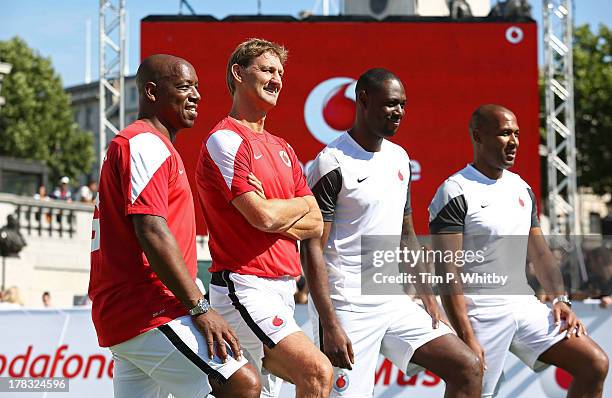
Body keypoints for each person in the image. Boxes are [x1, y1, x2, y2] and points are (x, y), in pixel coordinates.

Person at [88, 54, 260, 398]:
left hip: (131, 314)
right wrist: (200, 306)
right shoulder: (144, 143)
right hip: (150, 309)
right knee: (242, 384)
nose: (196, 95)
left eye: (197, 87)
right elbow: (150, 229)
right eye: (184, 87)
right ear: (151, 92)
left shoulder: (149, 144)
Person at [304, 68, 483, 398]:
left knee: (467, 367)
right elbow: (313, 247)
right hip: (347, 308)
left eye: (402, 104)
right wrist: (329, 324)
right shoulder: (332, 162)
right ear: (363, 99)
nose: (398, 112)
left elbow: (407, 234)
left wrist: (429, 300)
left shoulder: (399, 157)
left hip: (393, 302)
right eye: (390, 104)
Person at [429, 104, 609, 397]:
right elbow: (448, 272)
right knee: (472, 391)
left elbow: (540, 254)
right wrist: (465, 335)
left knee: (594, 364)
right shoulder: (455, 190)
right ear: (478, 136)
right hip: (479, 312)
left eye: (516, 134)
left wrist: (561, 299)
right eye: (503, 134)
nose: (513, 141)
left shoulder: (521, 189)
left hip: (524, 306)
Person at [195, 38, 333, 397]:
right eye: (268, 70)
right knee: (317, 373)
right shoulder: (225, 138)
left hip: (283, 288)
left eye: (280, 73)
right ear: (238, 74)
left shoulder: (284, 147)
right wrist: (290, 206)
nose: (277, 79)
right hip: (245, 286)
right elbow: (262, 217)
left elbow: (315, 223)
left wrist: (275, 205)